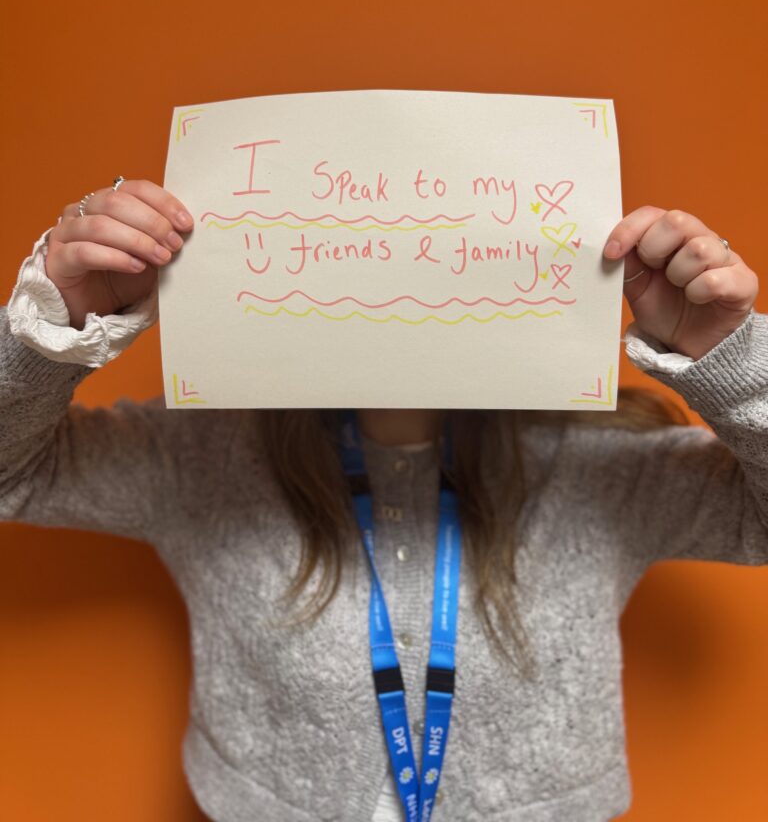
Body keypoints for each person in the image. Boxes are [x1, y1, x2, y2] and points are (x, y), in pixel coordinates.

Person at [1, 176, 765, 822]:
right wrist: (53, 326)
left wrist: (728, 361)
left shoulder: (606, 462)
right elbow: (14, 473)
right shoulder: (197, 450)